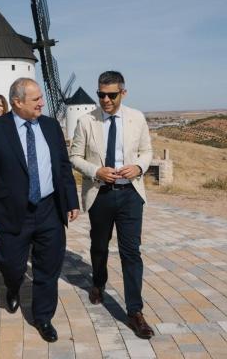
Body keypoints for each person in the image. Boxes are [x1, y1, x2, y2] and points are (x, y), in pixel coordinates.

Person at [0, 78, 80, 343]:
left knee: (48, 267)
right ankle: (13, 286)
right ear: (17, 102)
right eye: (36, 100)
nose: (42, 103)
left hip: (49, 210)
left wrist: (71, 200)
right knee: (10, 263)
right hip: (11, 212)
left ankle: (43, 317)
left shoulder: (51, 125)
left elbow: (63, 167)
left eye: (41, 98)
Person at [69, 71, 154, 339]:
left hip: (130, 195)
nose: (105, 100)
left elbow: (147, 151)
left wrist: (138, 166)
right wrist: (96, 171)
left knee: (131, 253)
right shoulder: (86, 121)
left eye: (111, 95)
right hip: (100, 194)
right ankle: (98, 282)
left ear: (123, 93)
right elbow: (75, 156)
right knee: (99, 246)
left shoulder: (137, 118)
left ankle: (135, 312)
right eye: (101, 94)